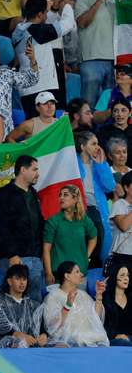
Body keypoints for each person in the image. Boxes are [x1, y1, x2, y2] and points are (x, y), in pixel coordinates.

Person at [0, 154, 46, 301]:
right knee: (14, 300)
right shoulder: (4, 194)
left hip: (35, 258)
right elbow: (1, 227)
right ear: (23, 170)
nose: (38, 174)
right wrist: (12, 255)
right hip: (16, 258)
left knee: (34, 302)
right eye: (34, 169)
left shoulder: (33, 194)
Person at [13, 0, 75, 116]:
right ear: (40, 15)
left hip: (27, 89)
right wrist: (67, 4)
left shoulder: (20, 29)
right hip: (43, 87)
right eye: (46, 13)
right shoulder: (37, 31)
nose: (47, 16)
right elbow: (67, 24)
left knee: (33, 128)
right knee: (47, 128)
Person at [75, 0, 116, 106]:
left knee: (111, 105)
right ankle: (86, 129)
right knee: (88, 104)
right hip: (91, 59)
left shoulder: (116, 0)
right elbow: (82, 23)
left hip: (114, 61)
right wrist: (99, 1)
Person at [42, 261, 109, 347]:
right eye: (77, 272)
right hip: (65, 341)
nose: (81, 274)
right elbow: (51, 325)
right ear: (67, 276)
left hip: (88, 338)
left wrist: (99, 296)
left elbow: (96, 317)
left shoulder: (83, 294)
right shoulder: (53, 296)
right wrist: (67, 305)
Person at [43, 185, 98, 285]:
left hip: (80, 273)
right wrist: (48, 273)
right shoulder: (53, 221)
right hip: (58, 275)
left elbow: (93, 237)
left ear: (75, 199)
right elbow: (46, 249)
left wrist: (86, 256)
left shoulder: (84, 219)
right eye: (60, 195)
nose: (61, 198)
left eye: (65, 195)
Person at [0, 263, 49, 348]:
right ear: (9, 281)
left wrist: (44, 335)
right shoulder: (0, 304)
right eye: (18, 279)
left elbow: (42, 327)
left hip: (32, 350)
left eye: (24, 279)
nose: (22, 283)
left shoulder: (34, 305)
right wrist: (17, 335)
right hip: (8, 351)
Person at [77, 130, 115, 263]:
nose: (97, 147)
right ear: (82, 146)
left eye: (98, 144)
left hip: (99, 209)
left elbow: (110, 186)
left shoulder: (99, 164)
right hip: (80, 209)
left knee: (101, 239)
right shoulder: (72, 163)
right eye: (93, 144)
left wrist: (101, 165)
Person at [102, 265, 132, 345]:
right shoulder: (105, 297)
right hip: (114, 339)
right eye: (122, 275)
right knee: (124, 342)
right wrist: (115, 335)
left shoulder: (130, 297)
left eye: (127, 275)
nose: (126, 278)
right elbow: (100, 322)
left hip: (130, 337)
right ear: (114, 277)